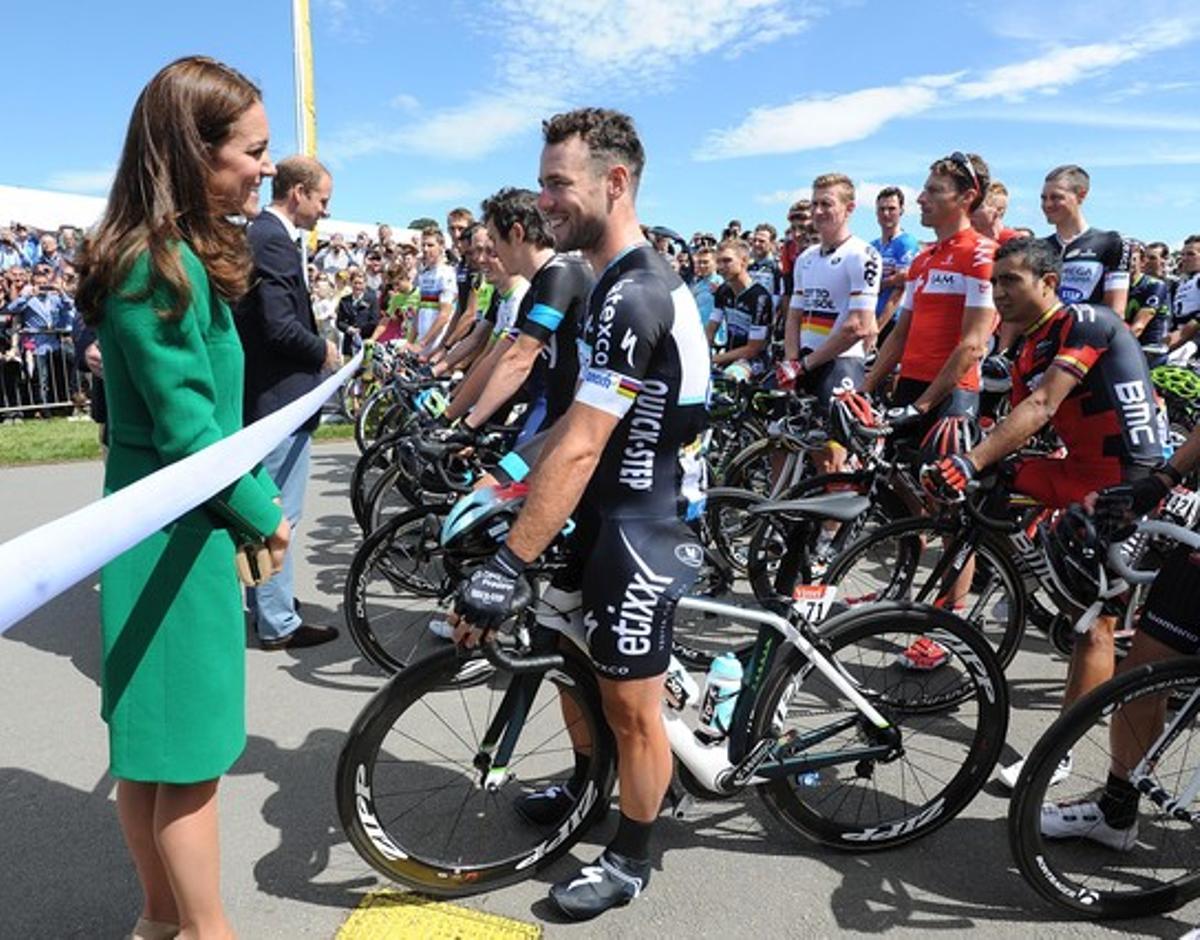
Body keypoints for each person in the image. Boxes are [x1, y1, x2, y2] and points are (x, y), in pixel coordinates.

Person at [454, 107, 709, 919]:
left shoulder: (636, 292)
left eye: (558, 183)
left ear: (615, 182)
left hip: (644, 521)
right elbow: (571, 423)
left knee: (632, 710)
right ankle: (587, 780)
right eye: (542, 183)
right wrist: (503, 476)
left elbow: (585, 444)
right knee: (564, 652)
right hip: (606, 509)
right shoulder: (606, 283)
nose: (544, 201)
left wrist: (510, 561)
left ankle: (631, 857)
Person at [74, 55, 289, 940]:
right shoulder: (156, 266)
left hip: (173, 529)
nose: (267, 167)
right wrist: (264, 514)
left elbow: (203, 428)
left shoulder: (167, 258)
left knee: (157, 754)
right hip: (170, 539)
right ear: (194, 152)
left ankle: (164, 921)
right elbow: (191, 432)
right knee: (185, 761)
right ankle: (205, 931)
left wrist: (248, 502)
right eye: (254, 150)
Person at [922, 236, 1164, 787]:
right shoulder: (1030, 344)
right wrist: (967, 455)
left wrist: (970, 459)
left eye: (1011, 280)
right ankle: (1028, 579)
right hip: (1077, 468)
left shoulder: (1086, 321)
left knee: (1094, 625)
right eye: (994, 283)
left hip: (1127, 481)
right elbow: (1015, 422)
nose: (999, 292)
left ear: (1049, 283)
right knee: (990, 484)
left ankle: (1059, 755)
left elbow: (1042, 404)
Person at [236, 154, 341, 652]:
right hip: (281, 399)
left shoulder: (262, 235)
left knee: (266, 509)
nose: (325, 211)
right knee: (279, 515)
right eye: (322, 199)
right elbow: (279, 325)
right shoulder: (273, 240)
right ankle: (277, 621)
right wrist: (323, 351)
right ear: (298, 193)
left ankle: (268, 603)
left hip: (268, 397)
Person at [863, 152, 996, 446]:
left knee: (937, 476)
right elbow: (901, 334)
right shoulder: (923, 260)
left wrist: (921, 406)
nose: (921, 198)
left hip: (952, 393)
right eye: (925, 189)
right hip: (910, 386)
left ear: (967, 197)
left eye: (934, 191)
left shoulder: (981, 254)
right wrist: (864, 389)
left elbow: (973, 344)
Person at [454, 187, 592, 442]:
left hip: (565, 414)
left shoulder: (561, 274)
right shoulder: (536, 286)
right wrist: (449, 417)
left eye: (494, 240)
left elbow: (518, 359)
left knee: (499, 470)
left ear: (516, 233)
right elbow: (497, 358)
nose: (491, 253)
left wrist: (468, 426)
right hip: (546, 404)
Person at [779, 173, 880, 477]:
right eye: (815, 204)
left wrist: (805, 364)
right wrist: (792, 360)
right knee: (786, 444)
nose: (819, 211)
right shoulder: (806, 257)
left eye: (827, 204)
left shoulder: (862, 255)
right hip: (806, 361)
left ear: (849, 208)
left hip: (840, 363)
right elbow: (794, 315)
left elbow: (858, 326)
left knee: (832, 461)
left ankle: (834, 513)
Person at [1040, 164, 1130, 312]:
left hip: (1093, 326)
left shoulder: (1111, 242)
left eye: (1056, 197)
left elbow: (1116, 312)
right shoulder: (1039, 247)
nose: (1047, 204)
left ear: (1081, 195)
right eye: (1044, 198)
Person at [707, 238, 773, 383]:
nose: (721, 267)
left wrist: (714, 359)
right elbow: (711, 329)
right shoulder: (722, 291)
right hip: (729, 354)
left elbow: (753, 349)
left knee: (730, 376)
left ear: (744, 261)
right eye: (718, 262)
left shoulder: (760, 297)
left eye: (727, 261)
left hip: (755, 359)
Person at [869, 186, 919, 345]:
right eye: (882, 209)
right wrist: (888, 281)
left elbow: (901, 287)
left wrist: (877, 329)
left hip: (892, 321)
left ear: (901, 211)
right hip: (870, 317)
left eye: (891, 209)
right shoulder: (872, 246)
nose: (886, 214)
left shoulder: (906, 243)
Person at [1125, 241, 1172, 367]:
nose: (1127, 263)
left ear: (1142, 262)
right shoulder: (1117, 286)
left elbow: (1139, 326)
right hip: (1129, 347)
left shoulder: (1155, 285)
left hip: (1151, 351)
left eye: (1132, 259)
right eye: (1123, 260)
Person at [335, 270, 380, 355]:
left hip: (366, 342)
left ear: (365, 284)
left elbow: (374, 320)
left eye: (360, 283)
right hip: (349, 344)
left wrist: (360, 330)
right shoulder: (344, 301)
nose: (357, 286)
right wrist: (348, 329)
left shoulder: (372, 300)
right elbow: (339, 322)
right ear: (351, 283)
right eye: (355, 283)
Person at [970, 181, 1020, 245]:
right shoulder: (971, 241)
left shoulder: (1013, 240)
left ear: (997, 211)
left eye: (978, 207)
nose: (971, 212)